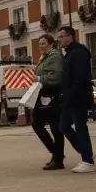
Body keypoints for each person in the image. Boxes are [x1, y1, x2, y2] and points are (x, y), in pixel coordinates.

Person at [57, 26, 96, 173]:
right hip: (70, 97)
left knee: (80, 127)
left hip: (77, 97)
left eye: (61, 37)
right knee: (64, 126)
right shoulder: (70, 53)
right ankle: (85, 152)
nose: (59, 40)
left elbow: (81, 78)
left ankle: (87, 160)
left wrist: (70, 94)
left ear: (70, 36)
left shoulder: (78, 53)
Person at [32, 33, 66, 170]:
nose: (40, 46)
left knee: (55, 127)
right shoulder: (43, 57)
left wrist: (39, 79)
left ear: (51, 44)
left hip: (53, 95)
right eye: (39, 43)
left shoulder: (55, 56)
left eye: (43, 43)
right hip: (42, 95)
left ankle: (58, 159)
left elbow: (56, 76)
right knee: (37, 124)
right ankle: (56, 153)